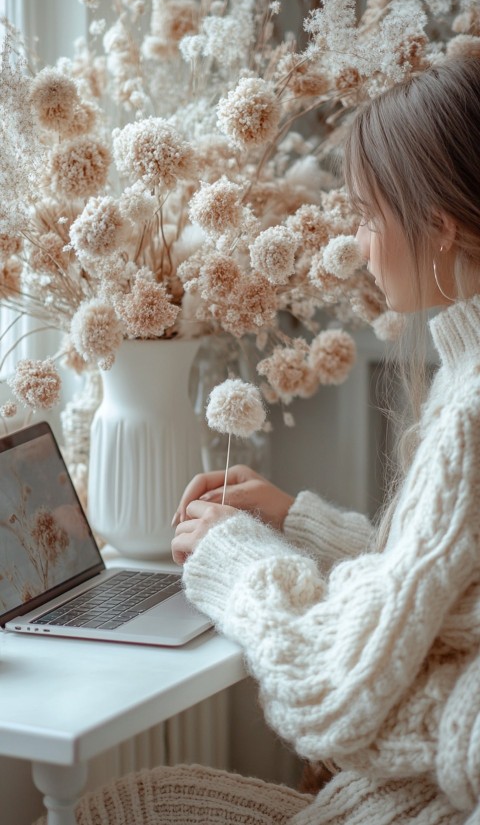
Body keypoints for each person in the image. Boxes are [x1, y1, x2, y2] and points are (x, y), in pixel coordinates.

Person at [36, 55, 480, 824]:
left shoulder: (472, 407)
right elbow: (438, 592)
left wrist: (233, 557)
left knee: (104, 811)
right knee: (121, 804)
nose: (365, 246)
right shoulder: (465, 369)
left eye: (371, 218)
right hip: (406, 794)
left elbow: (330, 692)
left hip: (412, 807)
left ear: (439, 227)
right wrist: (297, 521)